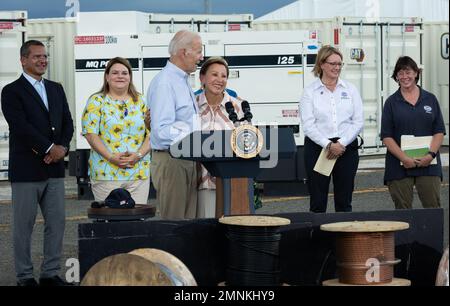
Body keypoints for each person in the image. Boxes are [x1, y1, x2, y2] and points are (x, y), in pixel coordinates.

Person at [0, 40, 74, 286]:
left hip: (53, 169)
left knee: (56, 224)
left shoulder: (56, 88)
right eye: (37, 57)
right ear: (23, 60)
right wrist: (49, 148)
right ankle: (24, 277)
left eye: (45, 56)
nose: (43, 60)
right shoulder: (11, 91)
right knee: (23, 227)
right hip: (26, 171)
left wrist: (61, 148)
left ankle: (50, 274)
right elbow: (21, 127)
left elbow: (67, 122)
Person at [146, 30, 203, 220]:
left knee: (187, 225)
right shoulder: (165, 83)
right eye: (198, 51)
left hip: (185, 158)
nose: (201, 57)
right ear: (184, 52)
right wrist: (195, 139)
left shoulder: (181, 80)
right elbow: (162, 130)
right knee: (174, 224)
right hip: (173, 160)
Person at [299, 45, 364, 213]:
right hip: (318, 149)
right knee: (318, 202)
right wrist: (329, 145)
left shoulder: (350, 89)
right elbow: (308, 125)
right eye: (333, 63)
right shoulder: (310, 92)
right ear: (322, 64)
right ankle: (319, 239)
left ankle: (343, 238)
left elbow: (358, 122)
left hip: (346, 148)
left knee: (344, 201)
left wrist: (340, 144)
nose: (337, 67)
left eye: (339, 64)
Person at [81, 57, 151, 204]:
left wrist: (138, 155)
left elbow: (152, 133)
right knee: (110, 223)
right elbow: (90, 134)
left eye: (124, 73)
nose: (120, 76)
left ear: (130, 77)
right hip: (106, 173)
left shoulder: (142, 101)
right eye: (115, 73)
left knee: (136, 221)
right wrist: (111, 157)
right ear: (107, 77)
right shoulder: (96, 101)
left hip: (138, 173)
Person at [381, 56, 446, 209]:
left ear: (416, 73)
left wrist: (430, 155)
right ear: (396, 76)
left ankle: (431, 234)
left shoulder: (430, 99)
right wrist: (405, 158)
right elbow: (386, 136)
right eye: (400, 73)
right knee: (403, 211)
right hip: (398, 165)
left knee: (432, 209)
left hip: (429, 163)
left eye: (408, 72)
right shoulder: (391, 102)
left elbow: (439, 131)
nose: (405, 77)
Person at [195, 56, 245, 218]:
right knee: (203, 231)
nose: (219, 80)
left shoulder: (239, 106)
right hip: (199, 183)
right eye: (214, 75)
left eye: (224, 76)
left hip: (232, 182)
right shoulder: (191, 105)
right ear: (202, 78)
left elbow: (246, 142)